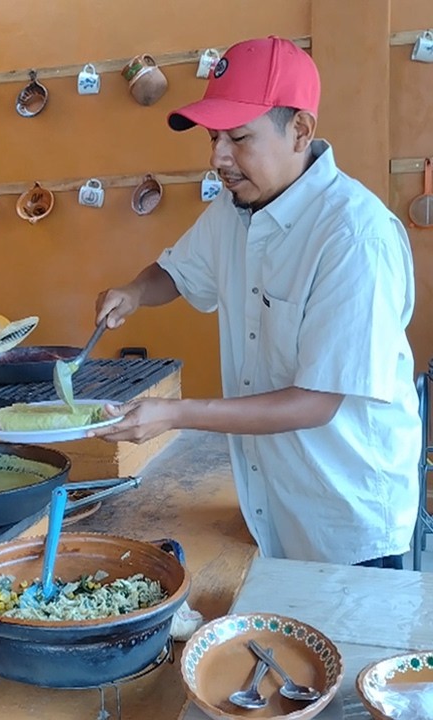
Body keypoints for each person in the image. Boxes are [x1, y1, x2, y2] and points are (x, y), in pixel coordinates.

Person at [89, 36, 421, 569]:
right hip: (274, 507)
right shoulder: (234, 209)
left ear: (300, 131)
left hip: (347, 521)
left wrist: (175, 414)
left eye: (239, 137)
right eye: (214, 137)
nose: (217, 157)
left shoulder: (355, 237)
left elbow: (316, 402)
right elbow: (177, 272)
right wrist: (134, 291)